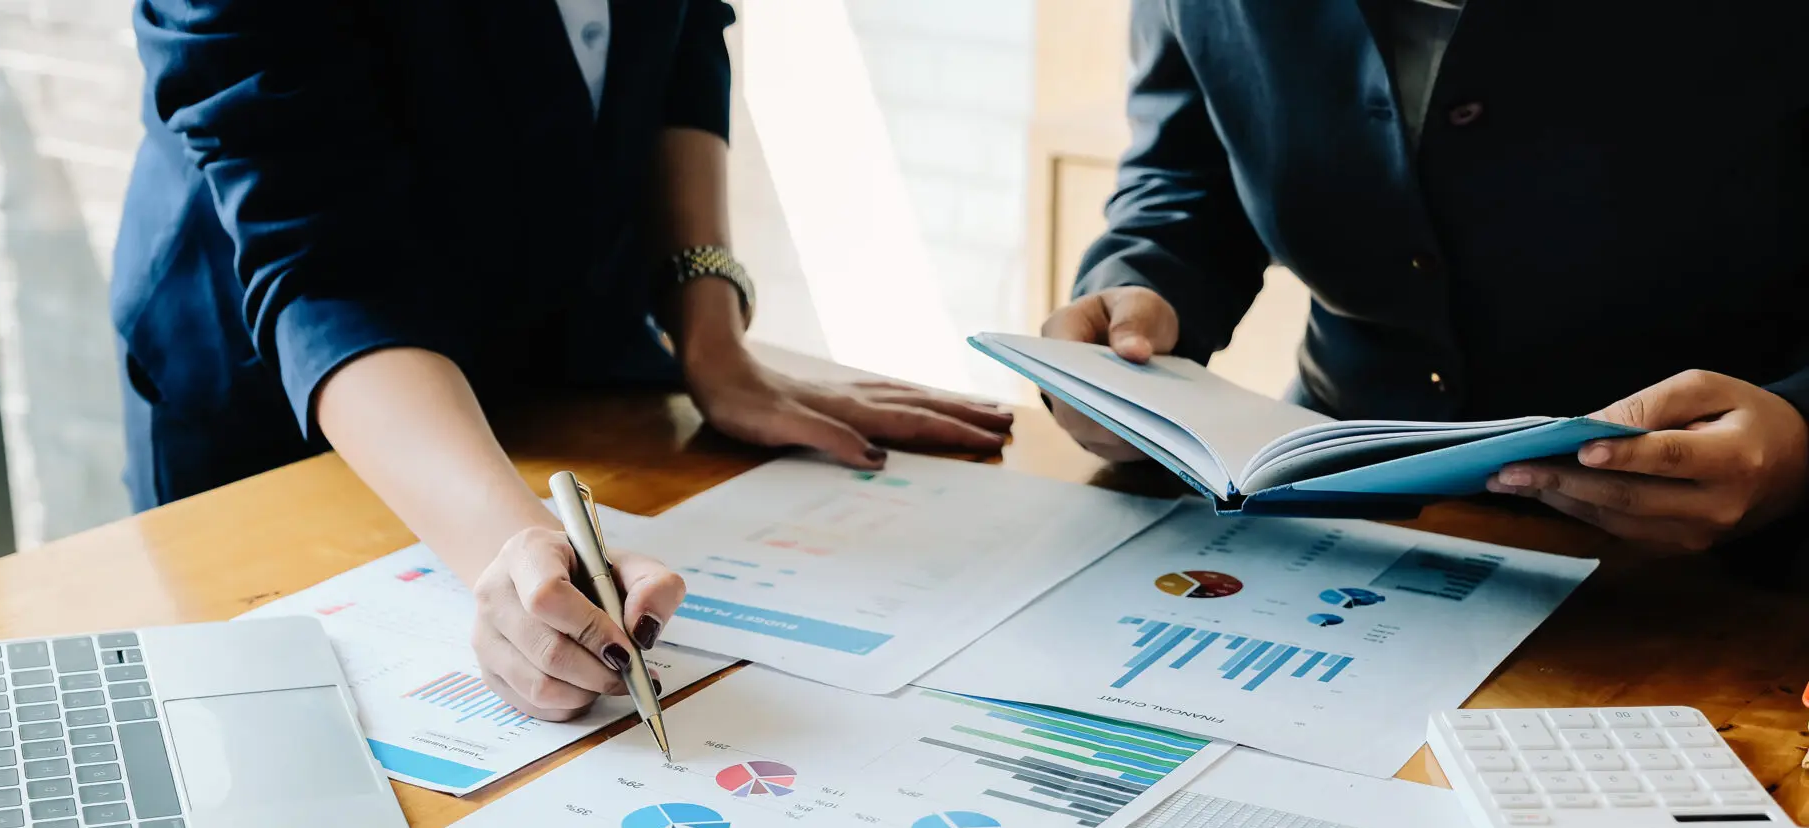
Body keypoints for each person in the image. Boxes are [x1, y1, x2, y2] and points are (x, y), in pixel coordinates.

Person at [112, 1, 1012, 720]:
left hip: (568, 341)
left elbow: (684, 33)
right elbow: (325, 267)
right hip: (299, 403)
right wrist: (512, 547)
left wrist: (712, 339)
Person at [1042, 1, 1809, 553]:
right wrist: (1135, 298)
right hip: (1323, 507)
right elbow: (1186, 175)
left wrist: (1800, 443)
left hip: (1712, 561)